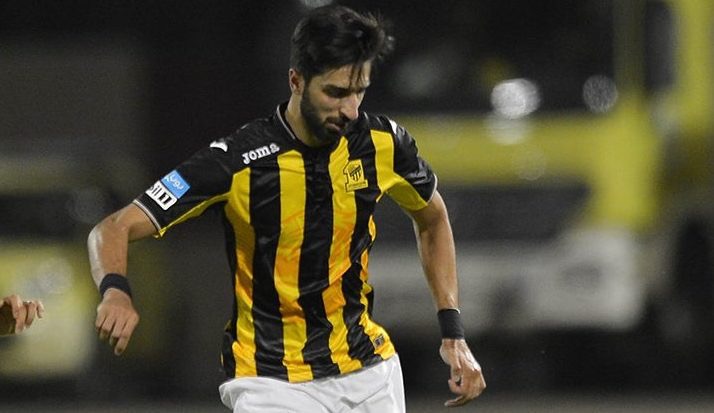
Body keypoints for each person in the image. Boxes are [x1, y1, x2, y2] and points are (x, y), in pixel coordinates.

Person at [88, 4, 486, 411]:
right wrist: (115, 290)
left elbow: (433, 218)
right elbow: (113, 227)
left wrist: (453, 333)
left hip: (368, 373)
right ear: (296, 80)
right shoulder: (235, 161)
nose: (350, 109)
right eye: (335, 92)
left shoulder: (382, 143)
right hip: (271, 383)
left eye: (359, 91)